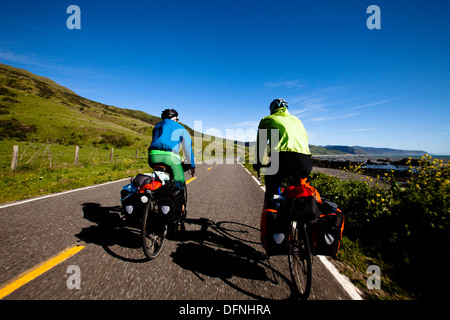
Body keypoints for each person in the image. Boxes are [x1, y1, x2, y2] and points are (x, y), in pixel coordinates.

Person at [253, 98, 312, 204]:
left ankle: (272, 214)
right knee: (298, 193)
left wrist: (258, 163)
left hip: (282, 159)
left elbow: (261, 145)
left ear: (272, 109)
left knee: (272, 189)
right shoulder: (297, 120)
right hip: (305, 161)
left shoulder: (267, 119)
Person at [148, 108, 195, 231]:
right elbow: (188, 149)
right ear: (176, 119)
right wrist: (191, 166)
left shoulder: (157, 126)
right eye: (178, 119)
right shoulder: (181, 128)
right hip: (171, 158)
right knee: (179, 183)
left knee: (158, 179)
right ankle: (178, 222)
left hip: (152, 157)